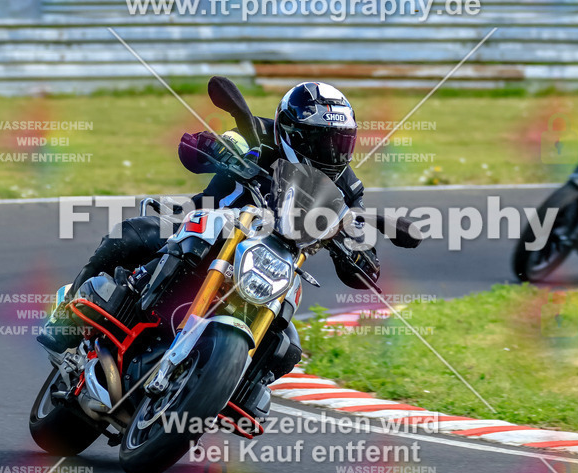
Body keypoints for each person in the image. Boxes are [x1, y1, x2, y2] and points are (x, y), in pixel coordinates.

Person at [36, 81, 380, 379]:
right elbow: (192, 148)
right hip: (208, 222)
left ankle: (232, 388)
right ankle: (67, 313)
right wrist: (215, 147)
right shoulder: (256, 132)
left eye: (341, 142)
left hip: (274, 259)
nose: (334, 152)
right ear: (294, 135)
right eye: (324, 142)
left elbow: (357, 229)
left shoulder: (348, 185)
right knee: (133, 233)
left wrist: (362, 256)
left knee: (286, 349)